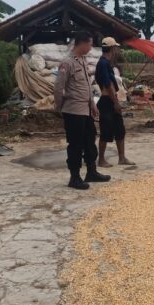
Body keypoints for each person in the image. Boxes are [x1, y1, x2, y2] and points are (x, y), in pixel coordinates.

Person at [53, 30, 111, 190]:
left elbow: (86, 87)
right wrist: (59, 107)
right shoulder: (68, 63)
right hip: (73, 111)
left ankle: (91, 172)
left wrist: (93, 105)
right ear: (82, 43)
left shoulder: (83, 61)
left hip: (85, 110)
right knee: (76, 144)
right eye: (90, 44)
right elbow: (58, 88)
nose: (91, 48)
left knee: (89, 142)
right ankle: (75, 177)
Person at [95, 37, 135, 168]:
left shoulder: (108, 64)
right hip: (107, 101)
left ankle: (122, 158)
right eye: (116, 48)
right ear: (112, 49)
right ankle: (101, 160)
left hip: (111, 100)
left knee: (120, 130)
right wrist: (116, 102)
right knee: (106, 132)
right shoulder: (103, 64)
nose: (118, 50)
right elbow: (108, 85)